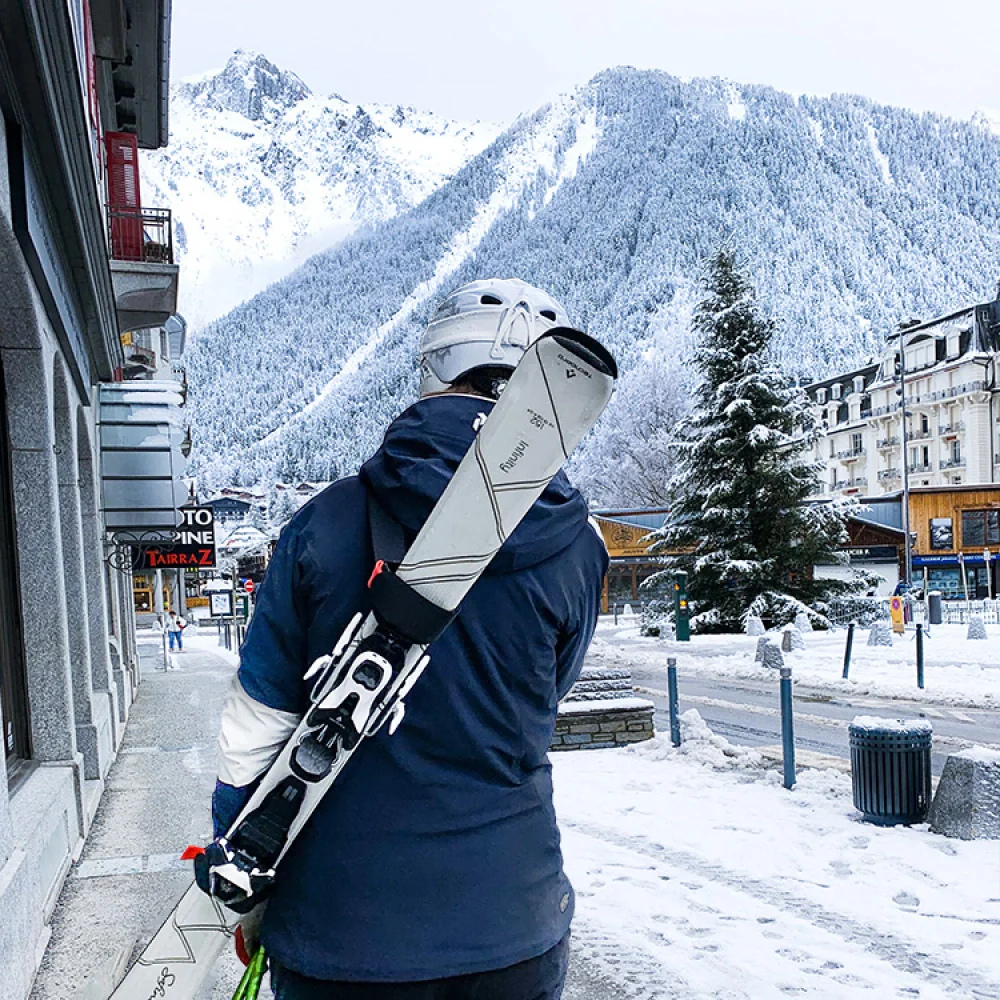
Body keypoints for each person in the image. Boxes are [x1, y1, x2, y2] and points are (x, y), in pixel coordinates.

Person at [209, 278, 608, 999]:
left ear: (432, 368)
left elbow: (252, 737)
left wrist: (244, 875)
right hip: (511, 921)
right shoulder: (578, 546)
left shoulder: (321, 525)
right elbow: (548, 697)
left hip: (339, 930)